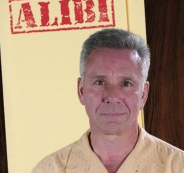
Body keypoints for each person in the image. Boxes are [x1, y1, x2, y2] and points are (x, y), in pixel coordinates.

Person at [32, 28, 184, 173]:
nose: (112, 97)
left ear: (143, 94)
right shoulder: (49, 169)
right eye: (100, 82)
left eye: (126, 84)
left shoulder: (178, 167)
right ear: (81, 90)